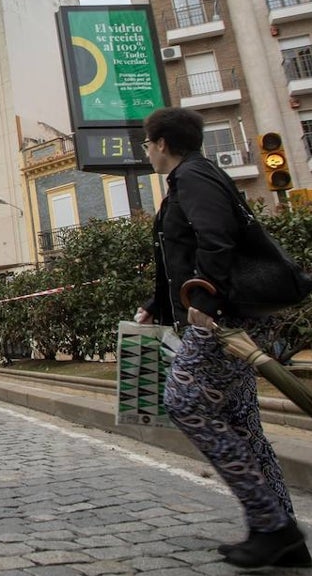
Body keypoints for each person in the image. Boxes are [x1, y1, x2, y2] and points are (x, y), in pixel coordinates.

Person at [136, 107, 307, 568]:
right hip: (224, 316)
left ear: (163, 143)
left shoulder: (193, 178)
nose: (146, 150)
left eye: (148, 143)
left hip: (221, 321)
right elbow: (181, 251)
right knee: (241, 423)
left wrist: (204, 305)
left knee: (185, 401)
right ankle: (280, 528)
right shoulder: (191, 179)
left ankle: (272, 526)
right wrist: (157, 303)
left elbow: (217, 239)